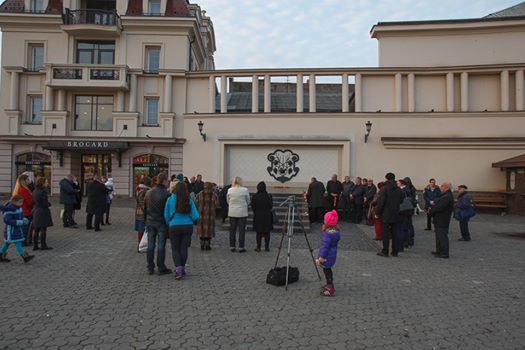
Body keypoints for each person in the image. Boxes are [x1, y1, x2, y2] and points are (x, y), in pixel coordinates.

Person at [164, 182, 199, 280]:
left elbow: (166, 215)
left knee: (175, 249)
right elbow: (196, 215)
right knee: (184, 248)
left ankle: (178, 270)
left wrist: (168, 223)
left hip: (174, 226)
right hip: (187, 226)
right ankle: (182, 268)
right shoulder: (189, 200)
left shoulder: (170, 199)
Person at [143, 172, 171, 275]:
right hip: (161, 222)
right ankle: (161, 267)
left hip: (150, 221)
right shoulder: (167, 194)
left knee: (150, 245)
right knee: (161, 245)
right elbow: (168, 209)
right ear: (164, 181)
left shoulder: (148, 192)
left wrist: (145, 220)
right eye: (167, 180)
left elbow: (144, 208)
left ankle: (150, 267)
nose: (168, 182)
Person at [375, 172, 404, 257]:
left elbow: (381, 202)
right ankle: (395, 251)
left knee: (385, 234)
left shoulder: (385, 188)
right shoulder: (398, 189)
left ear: (386, 178)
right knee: (395, 233)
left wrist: (377, 213)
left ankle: (385, 251)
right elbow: (401, 200)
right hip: (396, 213)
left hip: (386, 214)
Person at [0, 195, 35, 263]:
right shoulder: (10, 209)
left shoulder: (18, 208)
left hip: (16, 229)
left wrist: (24, 219)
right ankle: (25, 256)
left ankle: (0, 254)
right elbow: (7, 220)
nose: (21, 204)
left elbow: (21, 216)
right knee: (18, 243)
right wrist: (18, 222)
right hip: (11, 231)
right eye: (20, 202)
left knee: (7, 243)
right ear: (14, 202)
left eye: (22, 202)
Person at [315, 210, 341, 297]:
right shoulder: (336, 232)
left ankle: (330, 287)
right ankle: (329, 284)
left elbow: (325, 247)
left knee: (327, 270)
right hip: (332, 254)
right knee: (328, 270)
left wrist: (321, 257)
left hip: (327, 256)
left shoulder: (328, 234)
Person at [429, 182, 454, 259]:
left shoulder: (447, 196)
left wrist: (431, 210)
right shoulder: (445, 195)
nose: (440, 187)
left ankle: (444, 253)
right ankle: (439, 250)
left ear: (446, 187)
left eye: (442, 186)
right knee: (438, 236)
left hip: (442, 218)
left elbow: (440, 207)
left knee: (442, 236)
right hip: (439, 218)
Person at [227, 177, 250, 253]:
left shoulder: (230, 190)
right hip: (242, 212)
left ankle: (232, 246)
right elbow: (248, 201)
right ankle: (241, 247)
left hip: (232, 212)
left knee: (232, 230)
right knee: (241, 230)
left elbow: (228, 200)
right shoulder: (245, 190)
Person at [195, 181, 219, 251]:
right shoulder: (214, 195)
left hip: (201, 215)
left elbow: (195, 203)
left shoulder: (199, 194)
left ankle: (202, 245)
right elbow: (217, 204)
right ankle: (208, 245)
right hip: (210, 216)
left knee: (202, 230)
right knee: (209, 231)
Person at [251, 181, 273, 252]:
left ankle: (258, 247)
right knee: (267, 232)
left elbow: (253, 206)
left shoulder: (255, 196)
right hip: (267, 216)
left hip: (258, 215)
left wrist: (256, 212)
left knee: (258, 232)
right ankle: (267, 247)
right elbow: (271, 206)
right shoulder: (268, 196)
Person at [31, 177, 53, 250]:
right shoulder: (42, 192)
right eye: (46, 182)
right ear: (42, 183)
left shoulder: (35, 190)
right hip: (42, 211)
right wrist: (49, 204)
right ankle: (43, 245)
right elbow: (45, 203)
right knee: (43, 229)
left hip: (36, 210)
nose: (47, 183)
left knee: (36, 229)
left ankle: (35, 246)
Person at [12, 174, 33, 246]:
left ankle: (23, 241)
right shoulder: (24, 190)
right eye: (27, 179)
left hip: (23, 210)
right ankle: (23, 241)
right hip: (25, 211)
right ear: (23, 181)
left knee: (24, 227)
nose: (29, 181)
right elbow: (29, 202)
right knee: (25, 227)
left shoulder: (21, 189)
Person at [135, 176, 151, 248]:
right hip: (143, 213)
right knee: (142, 230)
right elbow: (142, 203)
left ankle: (140, 244)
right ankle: (141, 244)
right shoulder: (144, 191)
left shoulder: (139, 189)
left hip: (138, 213)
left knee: (140, 230)